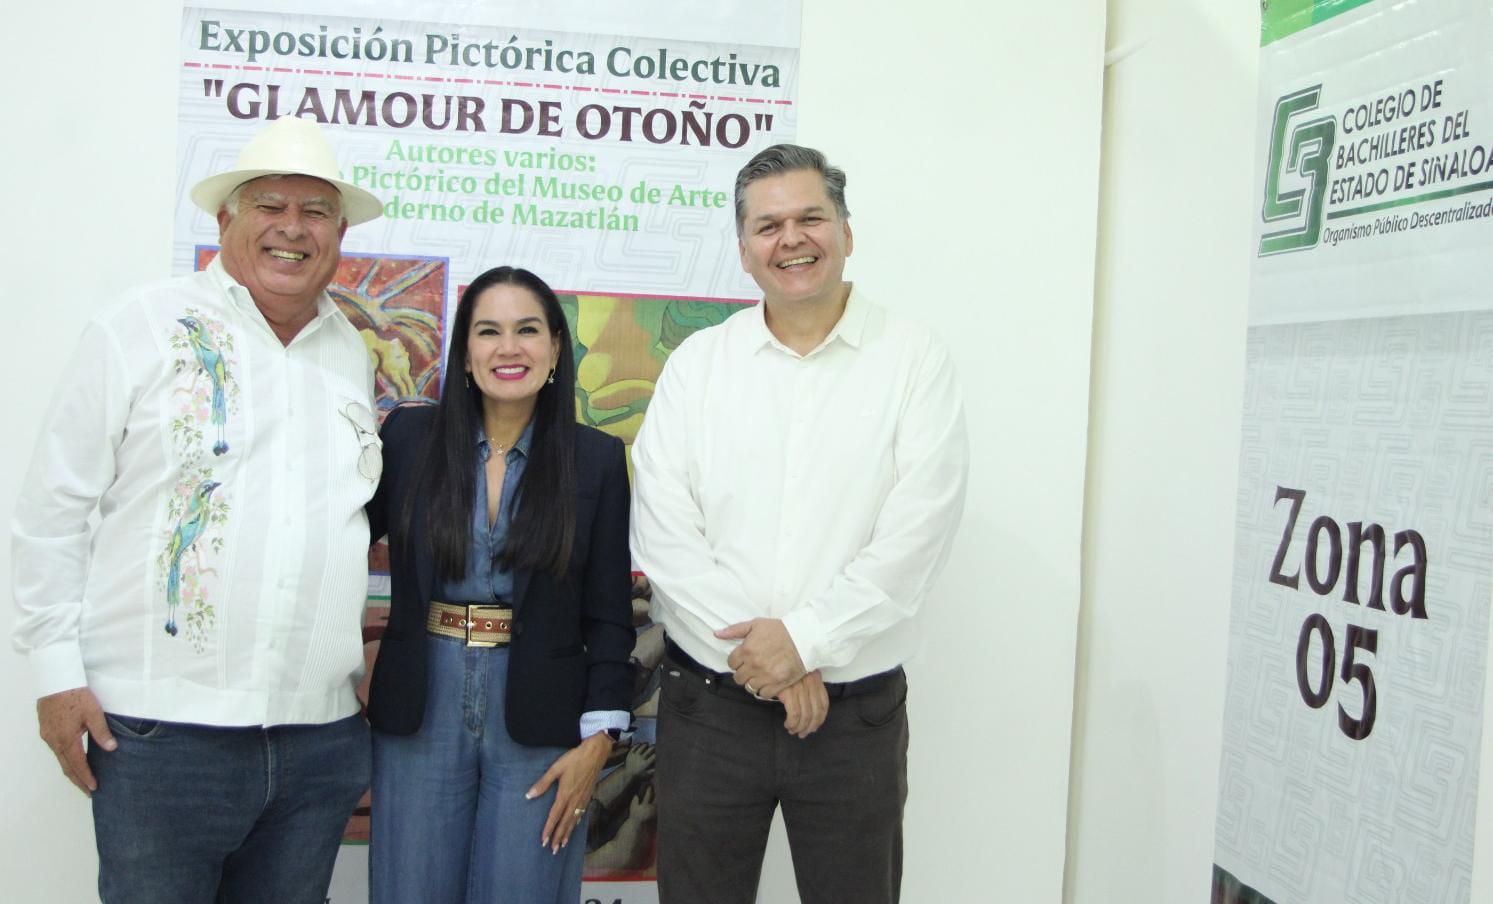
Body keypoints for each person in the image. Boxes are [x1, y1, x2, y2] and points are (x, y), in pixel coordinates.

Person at [11, 115, 384, 902]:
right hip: (158, 737)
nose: (292, 228)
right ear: (226, 221)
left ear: (339, 233)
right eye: (270, 206)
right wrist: (54, 675)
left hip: (318, 741)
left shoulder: (349, 352)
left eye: (315, 212)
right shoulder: (139, 327)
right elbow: (53, 509)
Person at [630, 143, 970, 904]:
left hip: (852, 719)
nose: (791, 239)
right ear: (745, 251)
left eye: (810, 217)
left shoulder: (913, 359)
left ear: (846, 232)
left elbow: (917, 534)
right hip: (710, 711)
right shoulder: (697, 365)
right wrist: (773, 661)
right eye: (768, 225)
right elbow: (663, 531)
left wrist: (806, 643)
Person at [365, 266, 634, 904]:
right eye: (488, 331)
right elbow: (328, 544)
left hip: (539, 716)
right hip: (421, 705)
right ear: (464, 354)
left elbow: (609, 614)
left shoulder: (594, 458)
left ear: (555, 349)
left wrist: (600, 738)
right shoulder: (407, 440)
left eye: (527, 330)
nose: (508, 348)